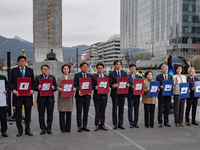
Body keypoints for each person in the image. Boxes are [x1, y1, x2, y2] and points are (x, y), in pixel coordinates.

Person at [9, 55, 35, 137]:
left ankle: (27, 129)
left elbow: (33, 83)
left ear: (26, 62)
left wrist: (32, 89)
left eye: (23, 61)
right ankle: (19, 130)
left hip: (28, 95)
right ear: (18, 62)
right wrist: (14, 90)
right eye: (20, 61)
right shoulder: (13, 71)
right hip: (18, 95)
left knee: (28, 114)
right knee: (18, 114)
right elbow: (10, 83)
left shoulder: (30, 71)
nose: (22, 62)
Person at [35, 64, 57, 135]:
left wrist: (54, 88)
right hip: (41, 99)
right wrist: (38, 87)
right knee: (41, 114)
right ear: (41, 70)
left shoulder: (52, 78)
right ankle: (43, 128)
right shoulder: (38, 78)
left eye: (47, 69)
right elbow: (34, 87)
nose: (45, 70)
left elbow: (56, 87)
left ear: (49, 70)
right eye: (44, 69)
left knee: (50, 114)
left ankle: (49, 128)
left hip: (50, 99)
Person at [74, 62, 94, 132]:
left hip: (87, 96)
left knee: (86, 112)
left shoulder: (90, 76)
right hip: (79, 96)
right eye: (84, 67)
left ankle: (85, 125)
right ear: (80, 68)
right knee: (79, 112)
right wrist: (78, 90)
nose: (85, 68)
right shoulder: (77, 75)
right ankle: (79, 126)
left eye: (86, 67)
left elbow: (93, 85)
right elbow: (75, 84)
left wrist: (91, 90)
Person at [109, 60, 129, 130]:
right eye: (117, 64)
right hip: (115, 94)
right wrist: (113, 85)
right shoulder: (111, 73)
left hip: (122, 93)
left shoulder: (124, 73)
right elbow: (109, 83)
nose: (118, 66)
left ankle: (120, 123)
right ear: (114, 66)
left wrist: (127, 84)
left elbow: (127, 81)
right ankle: (115, 124)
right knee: (114, 109)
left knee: (121, 109)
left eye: (119, 64)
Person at [56, 64, 76, 133]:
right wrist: (59, 89)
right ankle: (62, 128)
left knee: (68, 113)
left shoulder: (72, 78)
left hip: (69, 97)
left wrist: (74, 89)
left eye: (67, 69)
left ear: (69, 70)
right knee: (61, 113)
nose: (66, 70)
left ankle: (68, 128)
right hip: (62, 96)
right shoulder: (59, 78)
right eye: (64, 69)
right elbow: (57, 86)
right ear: (62, 70)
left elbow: (74, 86)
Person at [93, 62, 109, 131]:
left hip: (104, 96)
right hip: (97, 96)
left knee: (103, 111)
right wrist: (95, 87)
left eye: (101, 68)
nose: (100, 69)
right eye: (99, 68)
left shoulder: (106, 77)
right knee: (97, 111)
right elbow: (91, 85)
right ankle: (97, 124)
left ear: (103, 69)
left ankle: (102, 124)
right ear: (96, 69)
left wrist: (109, 87)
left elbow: (109, 85)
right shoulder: (94, 76)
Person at [127, 64, 141, 128]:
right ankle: (131, 122)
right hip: (130, 95)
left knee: (136, 109)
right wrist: (130, 86)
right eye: (131, 68)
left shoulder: (139, 77)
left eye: (134, 68)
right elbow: (126, 84)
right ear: (129, 69)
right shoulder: (127, 77)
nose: (133, 70)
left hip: (137, 95)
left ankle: (136, 122)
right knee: (130, 109)